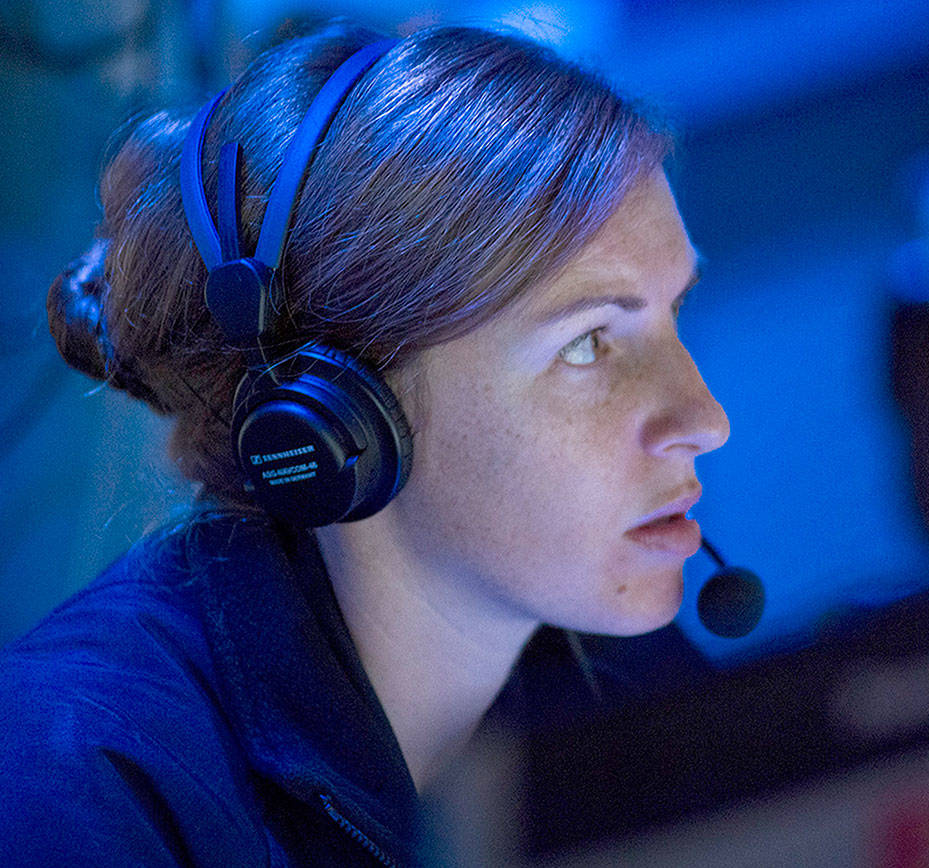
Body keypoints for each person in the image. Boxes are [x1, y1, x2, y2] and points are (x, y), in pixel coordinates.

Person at [0, 19, 729, 866]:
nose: (705, 421)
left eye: (674, 312)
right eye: (587, 343)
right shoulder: (79, 788)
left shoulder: (623, 682)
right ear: (346, 411)